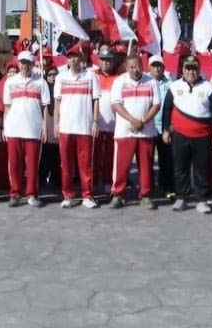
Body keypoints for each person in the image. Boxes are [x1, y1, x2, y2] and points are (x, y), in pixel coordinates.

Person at [163, 55, 212, 213]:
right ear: (182, 69)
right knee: (180, 167)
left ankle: (202, 199)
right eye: (187, 68)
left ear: (198, 69)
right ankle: (181, 197)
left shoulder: (208, 88)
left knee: (202, 168)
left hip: (202, 136)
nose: (191, 72)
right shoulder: (174, 86)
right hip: (180, 135)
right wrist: (166, 130)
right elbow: (167, 109)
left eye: (194, 68)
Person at [108, 54, 160, 210]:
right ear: (126, 66)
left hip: (146, 131)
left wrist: (142, 121)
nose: (135, 70)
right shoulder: (120, 82)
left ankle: (145, 195)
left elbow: (156, 105)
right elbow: (116, 104)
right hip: (125, 131)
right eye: (131, 67)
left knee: (145, 165)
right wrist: (133, 120)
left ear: (142, 66)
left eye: (138, 66)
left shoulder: (151, 81)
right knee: (122, 165)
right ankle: (117, 194)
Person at [53, 45, 100, 209]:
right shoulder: (60, 78)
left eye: (75, 57)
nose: (73, 60)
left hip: (84, 126)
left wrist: (95, 121)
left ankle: (87, 195)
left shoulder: (91, 76)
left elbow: (96, 100)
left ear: (81, 59)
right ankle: (68, 195)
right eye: (70, 57)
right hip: (66, 126)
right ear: (67, 60)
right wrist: (56, 123)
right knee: (66, 164)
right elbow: (57, 102)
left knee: (85, 164)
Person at [2, 51, 50, 207]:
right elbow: (7, 107)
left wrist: (45, 127)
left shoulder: (41, 83)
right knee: (14, 163)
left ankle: (31, 194)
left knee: (33, 165)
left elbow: (44, 107)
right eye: (22, 62)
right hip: (14, 128)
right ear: (18, 64)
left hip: (33, 128)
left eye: (28, 63)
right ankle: (15, 193)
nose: (25, 66)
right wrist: (5, 127)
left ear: (33, 64)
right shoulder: (10, 82)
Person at [93, 48, 122, 195]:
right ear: (99, 61)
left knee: (110, 156)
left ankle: (107, 182)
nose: (106, 63)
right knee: (94, 155)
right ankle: (92, 183)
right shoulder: (93, 76)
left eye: (109, 60)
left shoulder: (119, 79)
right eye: (103, 60)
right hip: (96, 124)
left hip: (113, 125)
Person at [149, 55, 174, 198]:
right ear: (149, 68)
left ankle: (166, 187)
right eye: (154, 66)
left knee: (166, 159)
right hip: (149, 126)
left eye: (159, 66)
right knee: (147, 160)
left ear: (164, 67)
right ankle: (148, 188)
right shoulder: (145, 82)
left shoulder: (171, 84)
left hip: (165, 128)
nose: (157, 69)